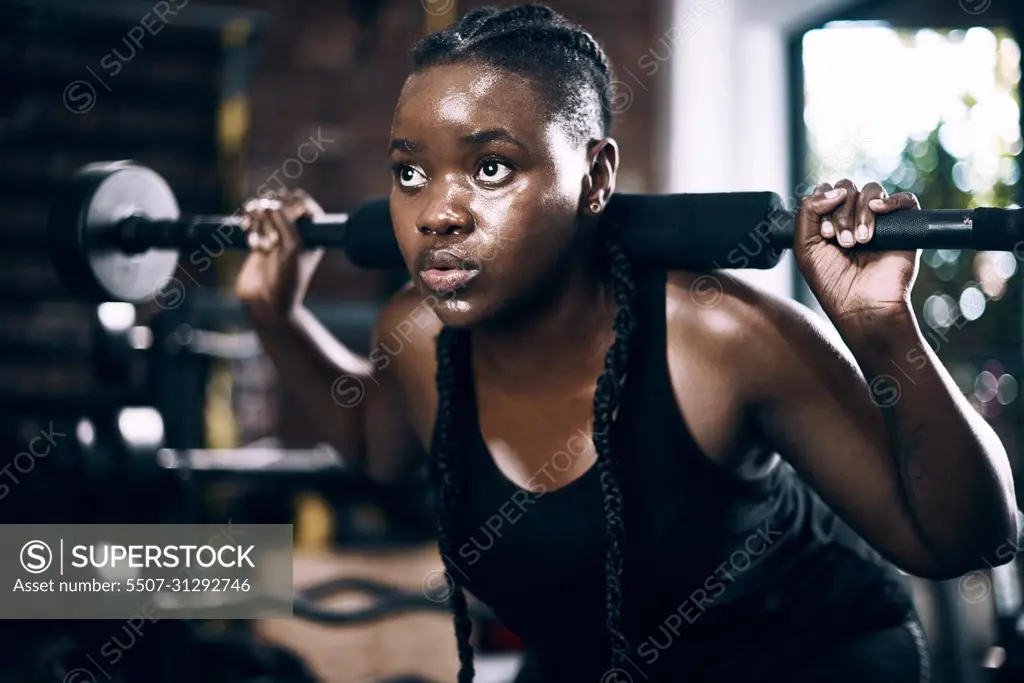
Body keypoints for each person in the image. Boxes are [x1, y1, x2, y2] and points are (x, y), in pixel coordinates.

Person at [235, 5, 1018, 682]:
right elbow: (382, 446)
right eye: (410, 174)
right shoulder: (414, 333)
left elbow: (969, 538)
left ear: (597, 176)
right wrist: (278, 317)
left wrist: (885, 332)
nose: (438, 213)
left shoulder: (717, 337)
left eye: (492, 167)